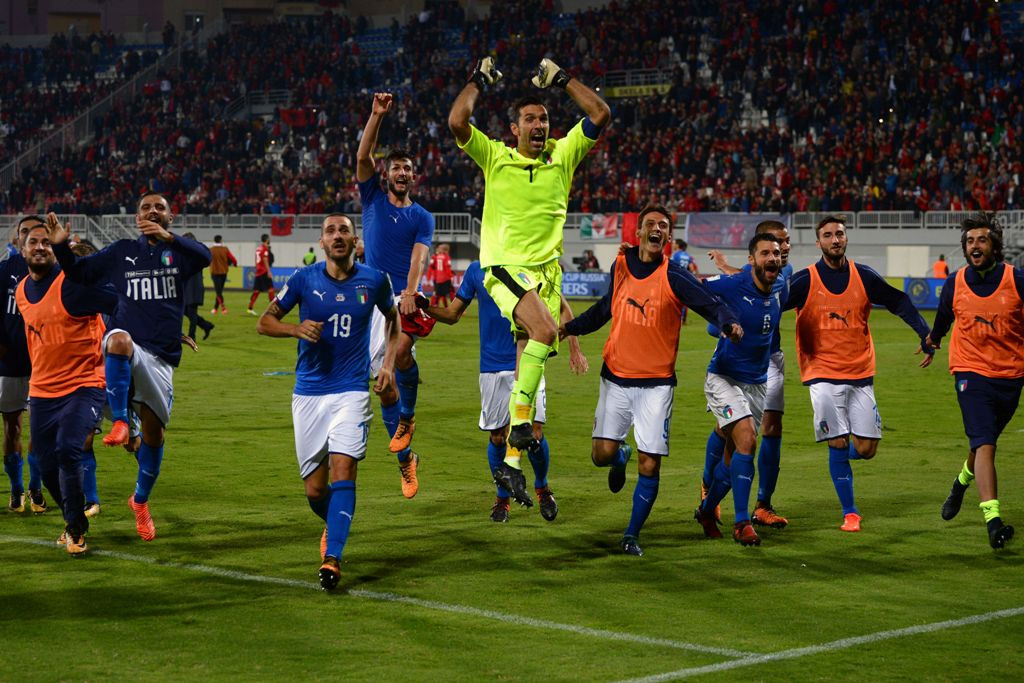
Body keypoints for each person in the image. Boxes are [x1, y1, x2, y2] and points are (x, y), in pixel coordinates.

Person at [448, 55, 610, 504]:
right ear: (514, 129)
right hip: (503, 266)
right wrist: (478, 79)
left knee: (530, 356)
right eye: (529, 119)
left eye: (544, 118)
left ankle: (512, 467)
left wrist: (562, 80)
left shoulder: (563, 154)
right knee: (542, 329)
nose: (539, 124)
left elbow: (600, 114)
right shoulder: (495, 157)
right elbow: (457, 119)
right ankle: (519, 428)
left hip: (546, 273)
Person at [561, 205, 740, 556]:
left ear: (668, 237)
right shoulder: (621, 266)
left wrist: (729, 322)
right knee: (601, 455)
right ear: (639, 233)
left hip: (657, 385)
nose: (657, 229)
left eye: (664, 225)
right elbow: (603, 310)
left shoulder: (675, 276)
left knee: (650, 463)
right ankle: (618, 455)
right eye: (650, 224)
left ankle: (631, 534)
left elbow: (711, 304)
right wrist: (568, 328)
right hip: (615, 378)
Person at [51, 192, 212, 542]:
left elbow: (205, 256)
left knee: (155, 436)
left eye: (160, 207)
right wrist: (62, 248)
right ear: (136, 217)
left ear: (171, 216)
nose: (152, 211)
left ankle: (140, 501)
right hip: (128, 345)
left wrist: (171, 239)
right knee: (117, 339)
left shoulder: (180, 253)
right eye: (145, 207)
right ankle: (122, 420)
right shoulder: (122, 251)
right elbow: (79, 272)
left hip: (162, 357)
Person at [256, 213, 399, 590]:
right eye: (331, 231)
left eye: (345, 231)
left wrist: (387, 364)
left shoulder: (374, 280)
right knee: (316, 492)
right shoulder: (304, 279)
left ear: (355, 242)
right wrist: (294, 328)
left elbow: (394, 320)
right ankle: (333, 521)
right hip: (308, 394)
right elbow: (264, 322)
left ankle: (332, 559)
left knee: (343, 470)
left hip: (351, 391)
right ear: (321, 242)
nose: (338, 236)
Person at [783, 215, 933, 532]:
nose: (835, 239)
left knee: (866, 449)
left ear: (846, 238)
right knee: (836, 441)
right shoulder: (805, 280)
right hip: (820, 374)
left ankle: (841, 455)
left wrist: (925, 333)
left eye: (839, 233)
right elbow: (769, 304)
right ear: (818, 242)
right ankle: (850, 513)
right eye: (828, 235)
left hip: (860, 373)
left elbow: (899, 300)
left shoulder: (862, 276)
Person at [426, 261, 587, 521]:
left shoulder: (529, 262)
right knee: (498, 437)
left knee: (533, 432)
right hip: (491, 367)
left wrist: (575, 348)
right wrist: (425, 308)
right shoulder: (477, 269)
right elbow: (453, 314)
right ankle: (502, 498)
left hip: (528, 361)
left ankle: (542, 487)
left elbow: (562, 306)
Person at [14, 216, 118, 554]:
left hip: (84, 383)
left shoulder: (72, 284)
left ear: (55, 250)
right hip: (43, 390)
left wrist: (155, 330)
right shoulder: (20, 291)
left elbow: (117, 303)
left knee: (69, 450)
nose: (41, 246)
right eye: (34, 242)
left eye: (47, 242)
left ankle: (74, 529)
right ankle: (75, 518)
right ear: (22, 249)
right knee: (45, 469)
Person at [356, 92, 436, 497]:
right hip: (365, 303)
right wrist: (376, 115)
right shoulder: (371, 198)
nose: (402, 173)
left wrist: (409, 292)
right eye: (396, 168)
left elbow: (419, 257)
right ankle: (407, 462)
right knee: (382, 384)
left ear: (413, 177)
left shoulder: (422, 216)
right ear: (386, 174)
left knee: (402, 355)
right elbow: (362, 156)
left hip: (401, 299)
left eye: (407, 169)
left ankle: (407, 418)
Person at [927, 213, 1018, 549]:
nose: (974, 246)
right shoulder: (955, 282)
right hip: (970, 372)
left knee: (982, 444)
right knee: (986, 443)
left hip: (1010, 376)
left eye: (981, 239)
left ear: (994, 244)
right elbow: (942, 319)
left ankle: (960, 483)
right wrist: (932, 341)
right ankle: (993, 521)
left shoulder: (1016, 280)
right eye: (969, 241)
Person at [694, 233, 784, 547]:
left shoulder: (780, 287)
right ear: (751, 260)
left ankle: (706, 510)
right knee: (747, 439)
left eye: (776, 253)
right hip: (724, 377)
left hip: (757, 384)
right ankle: (742, 522)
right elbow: (695, 289)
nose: (772, 258)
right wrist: (719, 321)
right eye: (765, 253)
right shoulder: (735, 284)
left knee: (733, 459)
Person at [1, 216, 48, 514]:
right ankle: (17, 489)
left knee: (41, 430)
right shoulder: (4, 271)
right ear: (18, 239)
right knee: (12, 428)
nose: (32, 239)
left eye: (37, 234)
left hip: (44, 363)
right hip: (9, 363)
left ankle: (36, 487)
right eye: (25, 233)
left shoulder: (53, 274)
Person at [182, 232, 214, 341]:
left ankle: (192, 336)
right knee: (186, 311)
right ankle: (206, 325)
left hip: (194, 287)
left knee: (191, 312)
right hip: (189, 287)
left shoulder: (196, 254)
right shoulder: (192, 253)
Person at [209, 234, 237, 314]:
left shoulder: (211, 250)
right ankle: (215, 308)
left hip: (214, 272)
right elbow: (232, 258)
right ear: (221, 240)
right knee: (219, 291)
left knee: (218, 291)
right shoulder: (225, 249)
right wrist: (235, 264)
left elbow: (206, 258)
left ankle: (223, 308)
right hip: (223, 272)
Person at [671, 240, 698, 322]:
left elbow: (670, 265)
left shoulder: (675, 254)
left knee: (674, 298)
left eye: (674, 243)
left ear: (678, 245)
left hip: (676, 278)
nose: (672, 244)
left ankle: (677, 317)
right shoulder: (688, 256)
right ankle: (683, 318)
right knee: (684, 299)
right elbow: (692, 269)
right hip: (685, 279)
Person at [247, 234, 274, 315]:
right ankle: (272, 309)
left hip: (258, 271)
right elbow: (265, 260)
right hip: (264, 271)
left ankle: (250, 308)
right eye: (269, 239)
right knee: (271, 289)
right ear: (267, 239)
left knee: (257, 291)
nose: (269, 240)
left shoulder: (258, 248)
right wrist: (269, 271)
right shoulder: (265, 249)